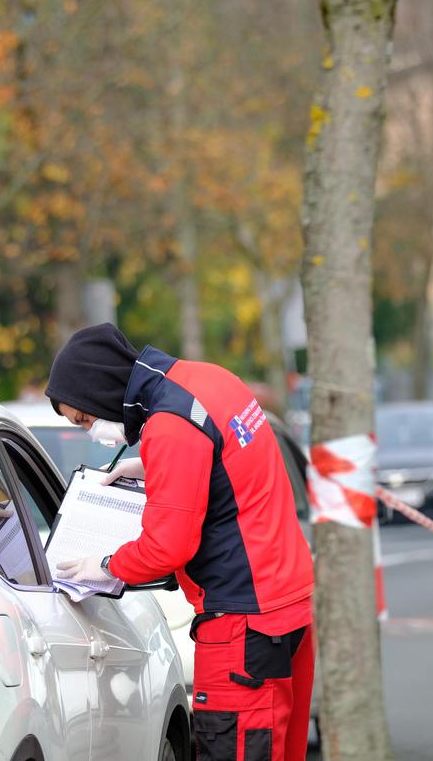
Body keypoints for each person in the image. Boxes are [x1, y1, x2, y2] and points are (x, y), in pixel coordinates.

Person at [47, 323, 315, 761]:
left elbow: (167, 548)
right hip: (287, 606)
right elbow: (229, 468)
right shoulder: (206, 379)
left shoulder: (170, 426)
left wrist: (107, 565)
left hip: (241, 621)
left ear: (98, 392)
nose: (89, 430)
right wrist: (153, 467)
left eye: (84, 419)